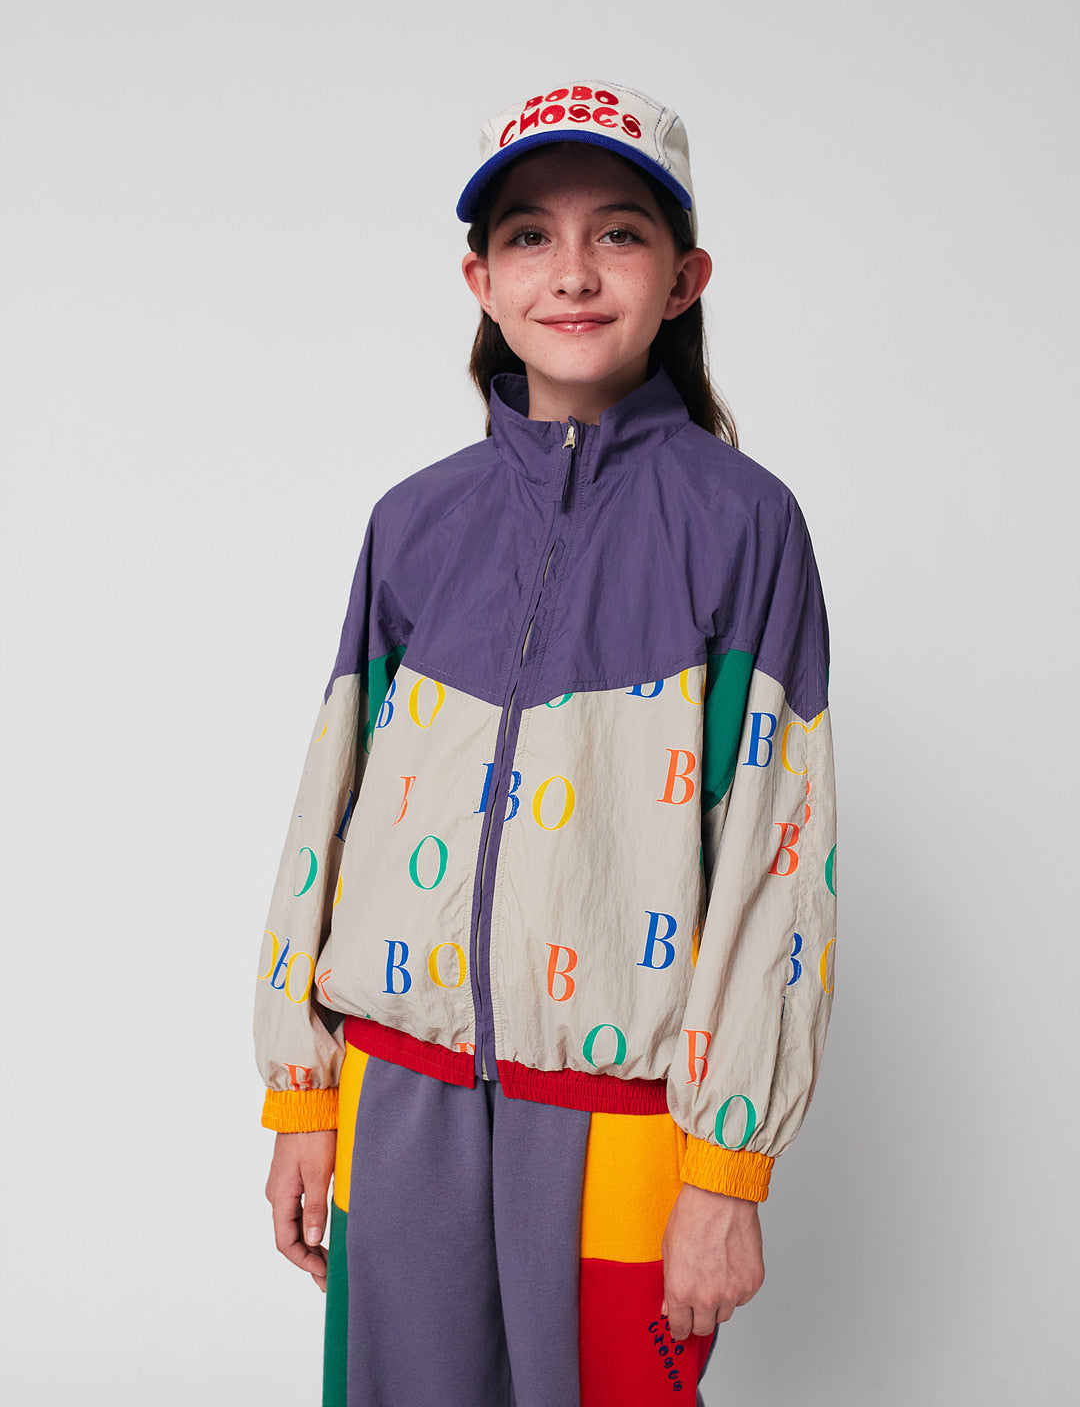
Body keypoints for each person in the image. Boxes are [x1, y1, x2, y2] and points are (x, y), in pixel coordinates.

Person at [256, 80, 836, 1407]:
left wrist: (727, 1169)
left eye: (618, 232)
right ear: (482, 279)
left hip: (623, 1119)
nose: (572, 270)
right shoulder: (415, 524)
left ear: (684, 278)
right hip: (397, 1093)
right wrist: (302, 1096)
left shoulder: (745, 527)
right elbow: (328, 812)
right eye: (529, 234)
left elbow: (779, 856)